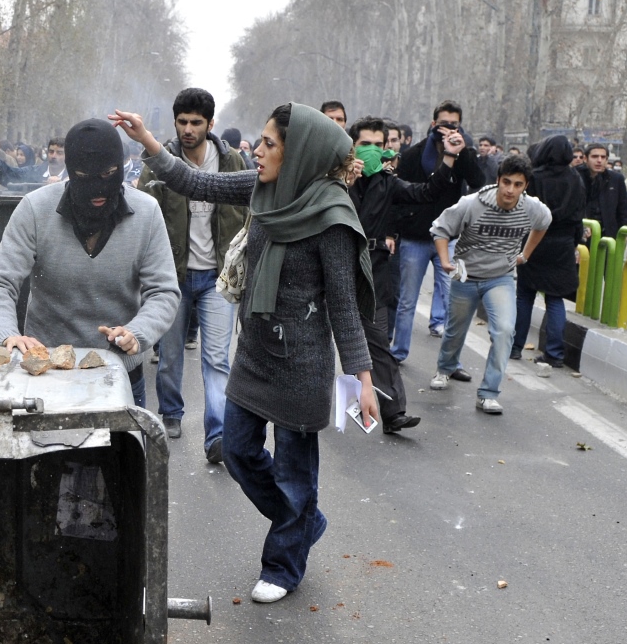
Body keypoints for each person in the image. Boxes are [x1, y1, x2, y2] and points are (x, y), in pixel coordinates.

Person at [115, 103, 377, 606]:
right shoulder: (263, 190)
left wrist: (361, 379)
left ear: (298, 153)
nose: (256, 152)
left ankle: (283, 564)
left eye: (270, 144)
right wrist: (147, 139)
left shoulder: (333, 219)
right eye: (259, 142)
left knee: (295, 475)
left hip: (303, 367)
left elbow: (344, 308)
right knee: (237, 452)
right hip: (254, 354)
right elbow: (195, 182)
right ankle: (302, 524)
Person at [0, 118, 180, 408]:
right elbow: (1, 282)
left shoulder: (147, 213)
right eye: (84, 176)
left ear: (122, 167)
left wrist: (137, 333)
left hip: (120, 373)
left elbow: (163, 291)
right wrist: (7, 334)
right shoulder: (35, 209)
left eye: (108, 174)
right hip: (45, 371)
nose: (98, 188)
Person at [135, 87, 248, 461]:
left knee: (217, 359)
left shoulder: (233, 163)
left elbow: (253, 214)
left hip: (218, 278)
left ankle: (217, 435)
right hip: (172, 278)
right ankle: (171, 412)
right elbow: (143, 216)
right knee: (169, 357)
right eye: (182, 121)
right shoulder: (160, 162)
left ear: (210, 124)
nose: (188, 128)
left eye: (195, 122)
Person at [346, 115, 464, 435]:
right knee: (317, 342)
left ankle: (394, 411)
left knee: (379, 346)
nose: (370, 151)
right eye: (364, 145)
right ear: (351, 146)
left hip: (374, 271)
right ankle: (306, 408)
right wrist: (344, 180)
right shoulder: (335, 181)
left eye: (377, 145)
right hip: (336, 270)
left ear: (386, 148)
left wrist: (449, 157)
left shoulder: (388, 184)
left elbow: (427, 192)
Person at [429, 155, 551, 414]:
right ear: (497, 180)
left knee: (506, 331)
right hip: (466, 275)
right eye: (506, 182)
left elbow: (543, 224)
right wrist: (444, 261)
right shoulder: (471, 204)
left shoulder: (532, 208)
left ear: (525, 186)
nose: (510, 190)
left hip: (501, 278)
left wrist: (525, 254)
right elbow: (440, 229)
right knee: (455, 330)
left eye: (518, 185)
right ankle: (445, 368)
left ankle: (488, 393)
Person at [390, 100, 486, 361]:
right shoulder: (413, 155)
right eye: (444, 123)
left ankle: (450, 361)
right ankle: (398, 354)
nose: (448, 129)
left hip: (448, 236)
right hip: (415, 237)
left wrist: (462, 152)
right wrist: (399, 229)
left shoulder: (464, 153)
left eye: (454, 125)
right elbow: (400, 194)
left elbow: (478, 181)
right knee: (407, 301)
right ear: (433, 124)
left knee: (453, 300)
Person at [513, 137, 585, 372]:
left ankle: (515, 347)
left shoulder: (535, 177)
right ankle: (554, 354)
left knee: (524, 296)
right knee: (555, 299)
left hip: (534, 241)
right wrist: (572, 243)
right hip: (562, 245)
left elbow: (522, 210)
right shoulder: (575, 178)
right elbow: (578, 216)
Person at [581, 143, 627, 243]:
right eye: (595, 156)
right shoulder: (576, 177)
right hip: (583, 234)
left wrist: (625, 232)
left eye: (603, 157)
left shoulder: (616, 179)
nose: (599, 160)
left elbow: (623, 208)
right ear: (585, 159)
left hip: (608, 235)